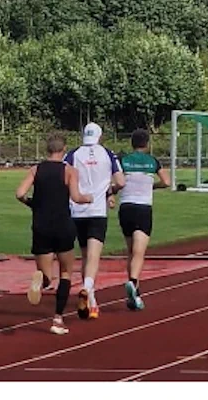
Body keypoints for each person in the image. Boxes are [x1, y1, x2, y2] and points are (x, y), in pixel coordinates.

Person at [15, 133, 92, 335]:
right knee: (66, 273)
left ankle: (43, 280)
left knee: (48, 275)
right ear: (64, 149)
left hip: (40, 225)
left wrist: (32, 203)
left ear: (47, 149)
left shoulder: (35, 169)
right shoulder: (69, 171)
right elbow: (76, 197)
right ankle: (57, 319)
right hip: (62, 225)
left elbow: (19, 193)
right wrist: (88, 198)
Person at [65, 122, 125, 320]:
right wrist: (110, 191)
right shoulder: (108, 154)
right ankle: (87, 288)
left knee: (84, 256)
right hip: (97, 211)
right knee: (93, 257)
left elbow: (63, 177)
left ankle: (92, 301)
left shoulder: (73, 154)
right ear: (100, 136)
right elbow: (121, 181)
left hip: (77, 210)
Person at [117, 128, 171, 311]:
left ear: (132, 143)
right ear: (147, 144)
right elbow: (167, 182)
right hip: (143, 208)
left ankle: (136, 294)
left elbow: (116, 183)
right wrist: (152, 186)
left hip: (125, 208)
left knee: (131, 251)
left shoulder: (123, 161)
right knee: (139, 252)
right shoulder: (153, 161)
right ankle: (133, 282)